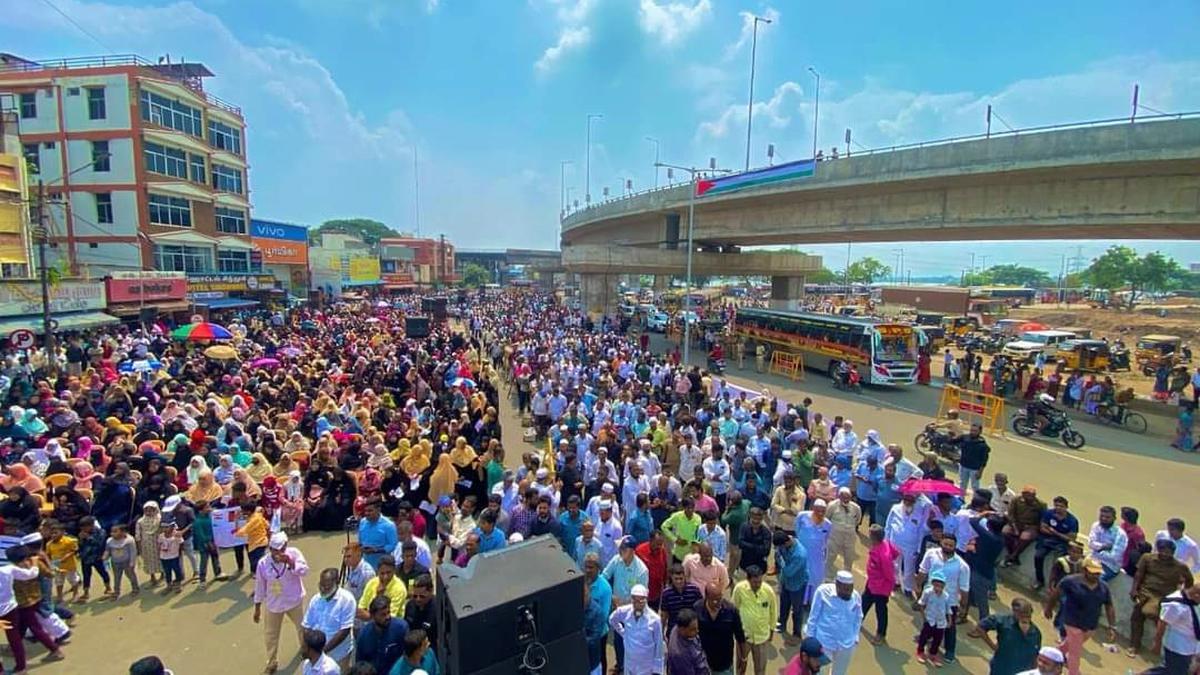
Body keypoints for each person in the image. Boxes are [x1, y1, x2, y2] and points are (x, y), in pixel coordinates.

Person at [1042, 558, 1117, 675]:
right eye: (1093, 573)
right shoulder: (1070, 581)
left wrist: (1112, 626)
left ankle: (1048, 657)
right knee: (1074, 654)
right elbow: (1056, 593)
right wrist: (1049, 608)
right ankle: (1073, 672)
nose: (1095, 576)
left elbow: (1109, 605)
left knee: (1067, 646)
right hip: (1072, 622)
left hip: (1090, 626)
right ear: (1084, 570)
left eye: (1098, 573)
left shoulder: (1103, 587)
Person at [253, 531, 310, 674]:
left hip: (294, 599)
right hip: (274, 604)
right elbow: (260, 586)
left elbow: (304, 571)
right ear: (270, 549)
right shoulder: (263, 563)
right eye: (274, 550)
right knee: (271, 635)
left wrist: (290, 562)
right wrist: (257, 608)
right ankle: (272, 662)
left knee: (302, 627)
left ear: (286, 546)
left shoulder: (295, 554)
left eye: (281, 549)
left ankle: (305, 648)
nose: (278, 553)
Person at [1128, 538, 1195, 658]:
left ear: (1173, 553)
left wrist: (1183, 594)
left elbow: (1190, 581)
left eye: (1168, 552)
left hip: (1163, 596)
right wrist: (1134, 589)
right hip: (1145, 591)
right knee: (1136, 616)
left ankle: (1160, 647)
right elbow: (1139, 574)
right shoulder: (1147, 558)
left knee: (1151, 613)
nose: (1165, 554)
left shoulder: (1180, 566)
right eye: (1162, 551)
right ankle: (1134, 645)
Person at [915, 532, 971, 663]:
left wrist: (963, 606)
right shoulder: (931, 554)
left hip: (949, 602)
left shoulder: (962, 566)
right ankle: (924, 646)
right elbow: (923, 571)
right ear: (941, 542)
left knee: (949, 628)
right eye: (945, 544)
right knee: (927, 623)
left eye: (951, 545)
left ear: (955, 547)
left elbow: (964, 589)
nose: (948, 547)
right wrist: (918, 587)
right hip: (931, 597)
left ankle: (949, 651)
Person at [803, 570, 861, 675]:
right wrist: (810, 640)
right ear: (837, 585)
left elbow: (858, 617)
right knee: (819, 672)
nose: (849, 593)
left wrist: (855, 638)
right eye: (846, 590)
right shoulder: (822, 592)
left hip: (846, 645)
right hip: (824, 644)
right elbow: (813, 617)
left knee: (839, 673)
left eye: (851, 589)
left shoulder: (855, 596)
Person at [304, 567, 358, 671]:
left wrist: (322, 651)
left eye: (327, 587)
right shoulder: (315, 600)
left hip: (339, 655)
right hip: (317, 656)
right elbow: (307, 626)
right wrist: (311, 648)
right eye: (321, 585)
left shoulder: (347, 600)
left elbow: (344, 631)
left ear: (336, 583)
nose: (323, 589)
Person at [1141, 582, 1200, 675]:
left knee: (1167, 670)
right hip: (1178, 647)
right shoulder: (1176, 605)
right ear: (1197, 595)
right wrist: (1157, 643)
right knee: (1173, 672)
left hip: (1189, 647)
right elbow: (1162, 623)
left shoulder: (1192, 602)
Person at [608, 584, 664, 675]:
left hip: (646, 666)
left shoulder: (655, 620)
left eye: (641, 600)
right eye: (635, 600)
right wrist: (623, 633)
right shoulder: (624, 611)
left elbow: (659, 645)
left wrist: (657, 670)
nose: (638, 603)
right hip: (630, 664)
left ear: (646, 600)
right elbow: (612, 619)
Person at [977, 598, 1042, 675]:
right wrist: (992, 646)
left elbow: (1035, 656)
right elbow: (980, 627)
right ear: (1014, 611)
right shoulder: (1003, 621)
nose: (1025, 617)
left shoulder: (1035, 632)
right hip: (1001, 669)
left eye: (1028, 614)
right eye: (1022, 614)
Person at [731, 565, 777, 675]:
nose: (757, 585)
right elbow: (733, 610)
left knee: (760, 669)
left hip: (762, 637)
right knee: (740, 666)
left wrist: (771, 631)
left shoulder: (768, 591)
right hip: (744, 637)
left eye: (759, 582)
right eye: (754, 582)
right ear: (748, 579)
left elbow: (773, 612)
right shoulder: (739, 589)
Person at [695, 581, 745, 675]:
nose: (718, 602)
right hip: (702, 663)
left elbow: (740, 637)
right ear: (706, 597)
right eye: (714, 600)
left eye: (719, 598)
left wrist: (743, 658)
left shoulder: (731, 611)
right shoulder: (697, 609)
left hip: (724, 665)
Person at [862, 524, 900, 645]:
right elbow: (897, 552)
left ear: (874, 537)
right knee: (864, 602)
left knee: (881, 610)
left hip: (881, 587)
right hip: (872, 583)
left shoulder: (883, 555)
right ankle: (857, 621)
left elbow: (889, 573)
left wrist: (890, 585)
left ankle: (881, 634)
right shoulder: (885, 544)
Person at [1034, 497, 1079, 591]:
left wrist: (1054, 532)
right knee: (1038, 556)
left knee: (1058, 564)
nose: (1058, 508)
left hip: (1062, 545)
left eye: (1061, 506)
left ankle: (1055, 586)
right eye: (1056, 505)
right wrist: (1060, 534)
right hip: (1047, 541)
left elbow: (1070, 538)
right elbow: (1042, 528)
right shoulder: (1049, 513)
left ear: (1066, 507)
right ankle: (1039, 581)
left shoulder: (1072, 521)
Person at [773, 530, 808, 643]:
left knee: (797, 610)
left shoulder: (799, 554)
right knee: (784, 604)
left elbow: (788, 572)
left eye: (779, 547)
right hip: (786, 582)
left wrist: (780, 560)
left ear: (786, 543)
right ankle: (781, 624)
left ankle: (797, 634)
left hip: (798, 584)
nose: (778, 549)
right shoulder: (785, 542)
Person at [916, 571, 953, 666]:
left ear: (944, 586)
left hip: (941, 622)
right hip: (929, 619)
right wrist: (924, 617)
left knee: (937, 639)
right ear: (932, 584)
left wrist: (949, 621)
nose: (938, 588)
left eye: (940, 586)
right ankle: (920, 652)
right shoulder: (928, 592)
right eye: (936, 585)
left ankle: (933, 654)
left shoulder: (946, 596)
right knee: (924, 637)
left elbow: (948, 609)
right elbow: (921, 604)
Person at [358, 555, 408, 621]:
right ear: (377, 571)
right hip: (369, 624)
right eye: (382, 573)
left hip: (392, 626)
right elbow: (361, 609)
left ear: (394, 571)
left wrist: (379, 597)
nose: (385, 577)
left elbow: (388, 618)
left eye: (388, 573)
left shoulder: (399, 589)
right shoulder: (371, 583)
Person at [666, 608, 709, 675]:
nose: (697, 631)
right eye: (693, 629)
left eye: (697, 627)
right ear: (682, 629)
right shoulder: (680, 654)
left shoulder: (677, 628)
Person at [104, 522, 140, 598]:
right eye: (111, 532)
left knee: (131, 576)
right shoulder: (109, 541)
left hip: (126, 562)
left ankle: (135, 588)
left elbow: (133, 552)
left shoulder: (129, 540)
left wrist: (132, 563)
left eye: (115, 532)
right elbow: (108, 550)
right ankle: (116, 592)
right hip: (115, 562)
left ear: (123, 532)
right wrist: (105, 556)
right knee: (117, 578)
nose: (112, 534)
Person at [957, 423, 991, 492]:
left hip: (974, 469)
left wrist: (980, 472)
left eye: (975, 431)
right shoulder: (964, 437)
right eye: (971, 430)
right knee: (962, 483)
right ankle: (961, 499)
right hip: (963, 465)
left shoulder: (982, 445)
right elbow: (953, 441)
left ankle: (977, 500)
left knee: (975, 486)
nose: (972, 432)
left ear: (980, 432)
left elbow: (984, 460)